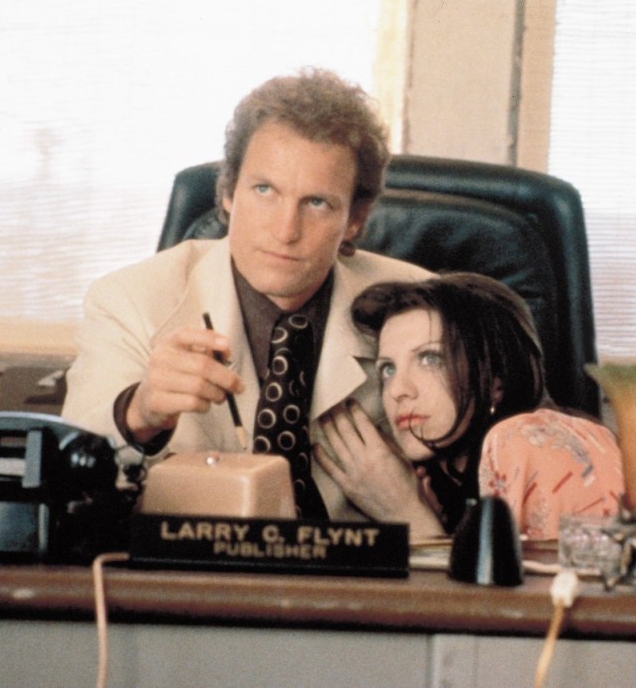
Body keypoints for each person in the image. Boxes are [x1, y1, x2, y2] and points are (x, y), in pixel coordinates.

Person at [61, 68, 436, 529]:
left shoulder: (421, 307)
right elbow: (69, 478)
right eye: (264, 191)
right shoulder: (129, 300)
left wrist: (411, 510)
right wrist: (140, 412)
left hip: (362, 570)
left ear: (355, 220)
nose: (286, 231)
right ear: (227, 195)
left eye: (317, 203)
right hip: (188, 569)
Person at [316, 272, 624, 540]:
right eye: (388, 369)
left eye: (430, 359)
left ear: (497, 379)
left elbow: (542, 592)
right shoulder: (446, 477)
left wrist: (405, 512)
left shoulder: (530, 437)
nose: (397, 390)